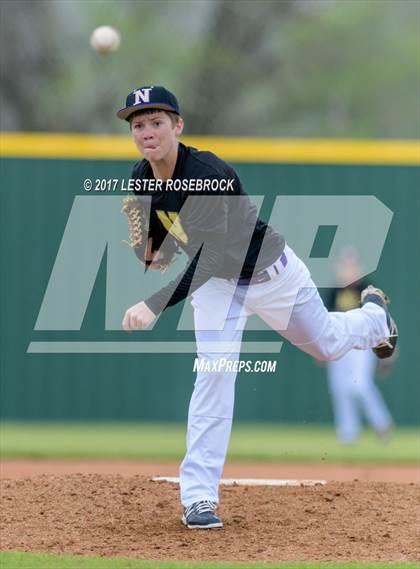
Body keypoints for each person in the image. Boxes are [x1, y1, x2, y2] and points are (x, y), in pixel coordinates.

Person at [117, 85, 398, 529]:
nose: (146, 131)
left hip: (271, 276)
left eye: (156, 122)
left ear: (177, 126)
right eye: (138, 125)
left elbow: (210, 255)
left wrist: (155, 304)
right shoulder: (141, 177)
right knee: (212, 375)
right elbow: (162, 254)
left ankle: (374, 318)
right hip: (215, 289)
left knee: (325, 344)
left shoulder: (208, 171)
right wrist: (144, 245)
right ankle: (198, 498)